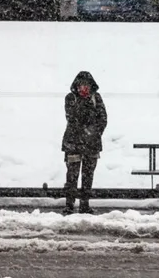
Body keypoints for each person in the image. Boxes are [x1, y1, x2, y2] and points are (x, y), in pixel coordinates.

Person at [61, 71, 108, 215]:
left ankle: (84, 204)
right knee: (72, 176)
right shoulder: (71, 98)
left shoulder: (96, 98)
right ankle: (69, 205)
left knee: (88, 176)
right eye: (81, 85)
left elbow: (103, 119)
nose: (84, 88)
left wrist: (94, 134)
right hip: (73, 144)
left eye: (86, 85)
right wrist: (86, 108)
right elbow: (72, 118)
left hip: (90, 144)